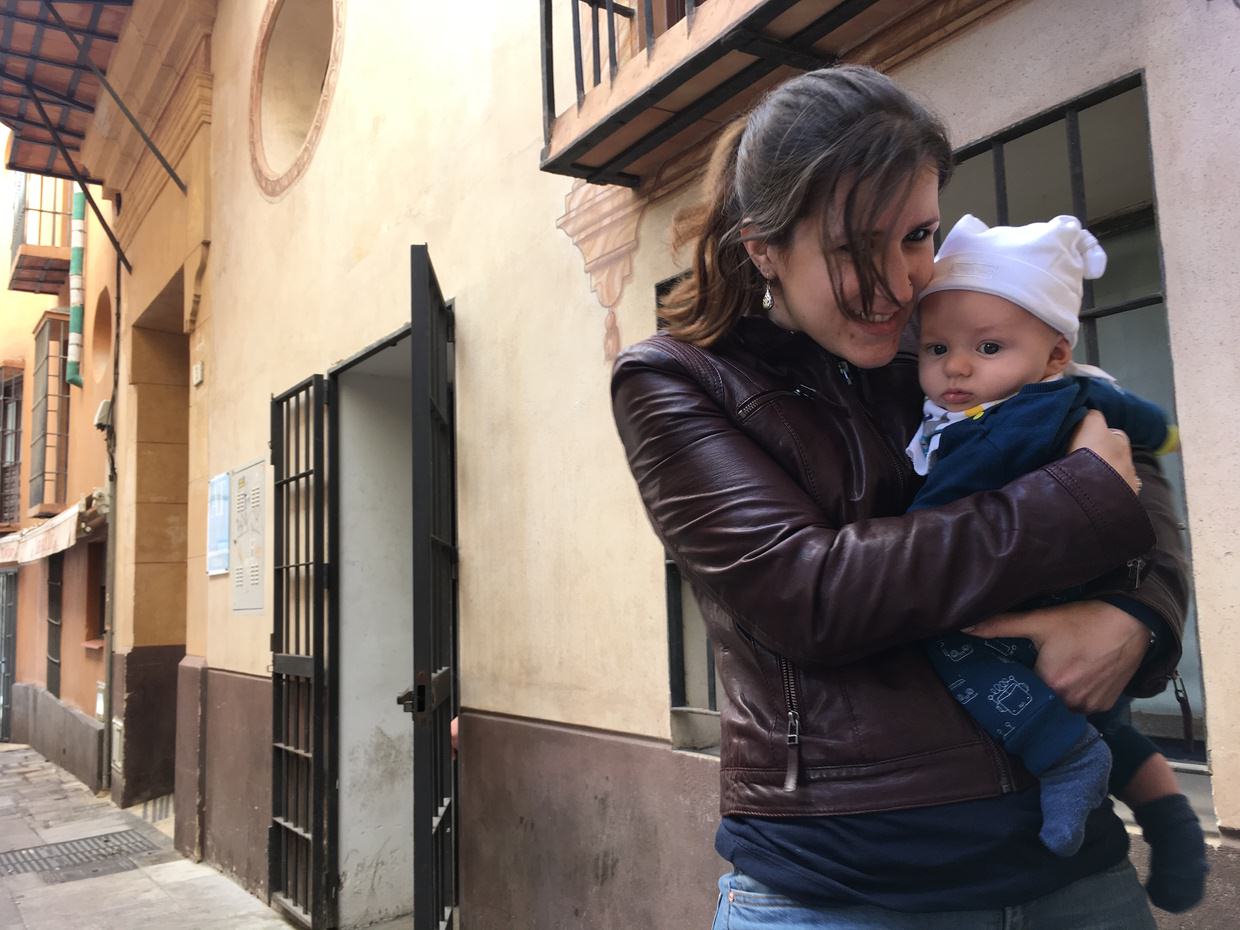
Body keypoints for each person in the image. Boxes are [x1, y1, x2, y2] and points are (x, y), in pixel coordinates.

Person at [610, 65, 1188, 929]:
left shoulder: (949, 334)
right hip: (844, 884)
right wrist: (1072, 505)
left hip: (1071, 867)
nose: (898, 284)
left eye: (917, 234)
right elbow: (808, 594)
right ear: (764, 248)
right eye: (852, 250)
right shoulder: (676, 380)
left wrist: (1137, 617)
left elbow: (1123, 458)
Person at [907, 212, 1205, 909]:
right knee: (1109, 723)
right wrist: (1166, 436)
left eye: (986, 347)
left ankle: (1066, 759)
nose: (955, 366)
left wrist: (896, 538)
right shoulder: (1076, 391)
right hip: (1071, 599)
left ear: (1051, 355)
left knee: (952, 652)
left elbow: (934, 521)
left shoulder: (1008, 421)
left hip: (1030, 604)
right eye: (936, 347)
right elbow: (1139, 417)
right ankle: (1166, 813)